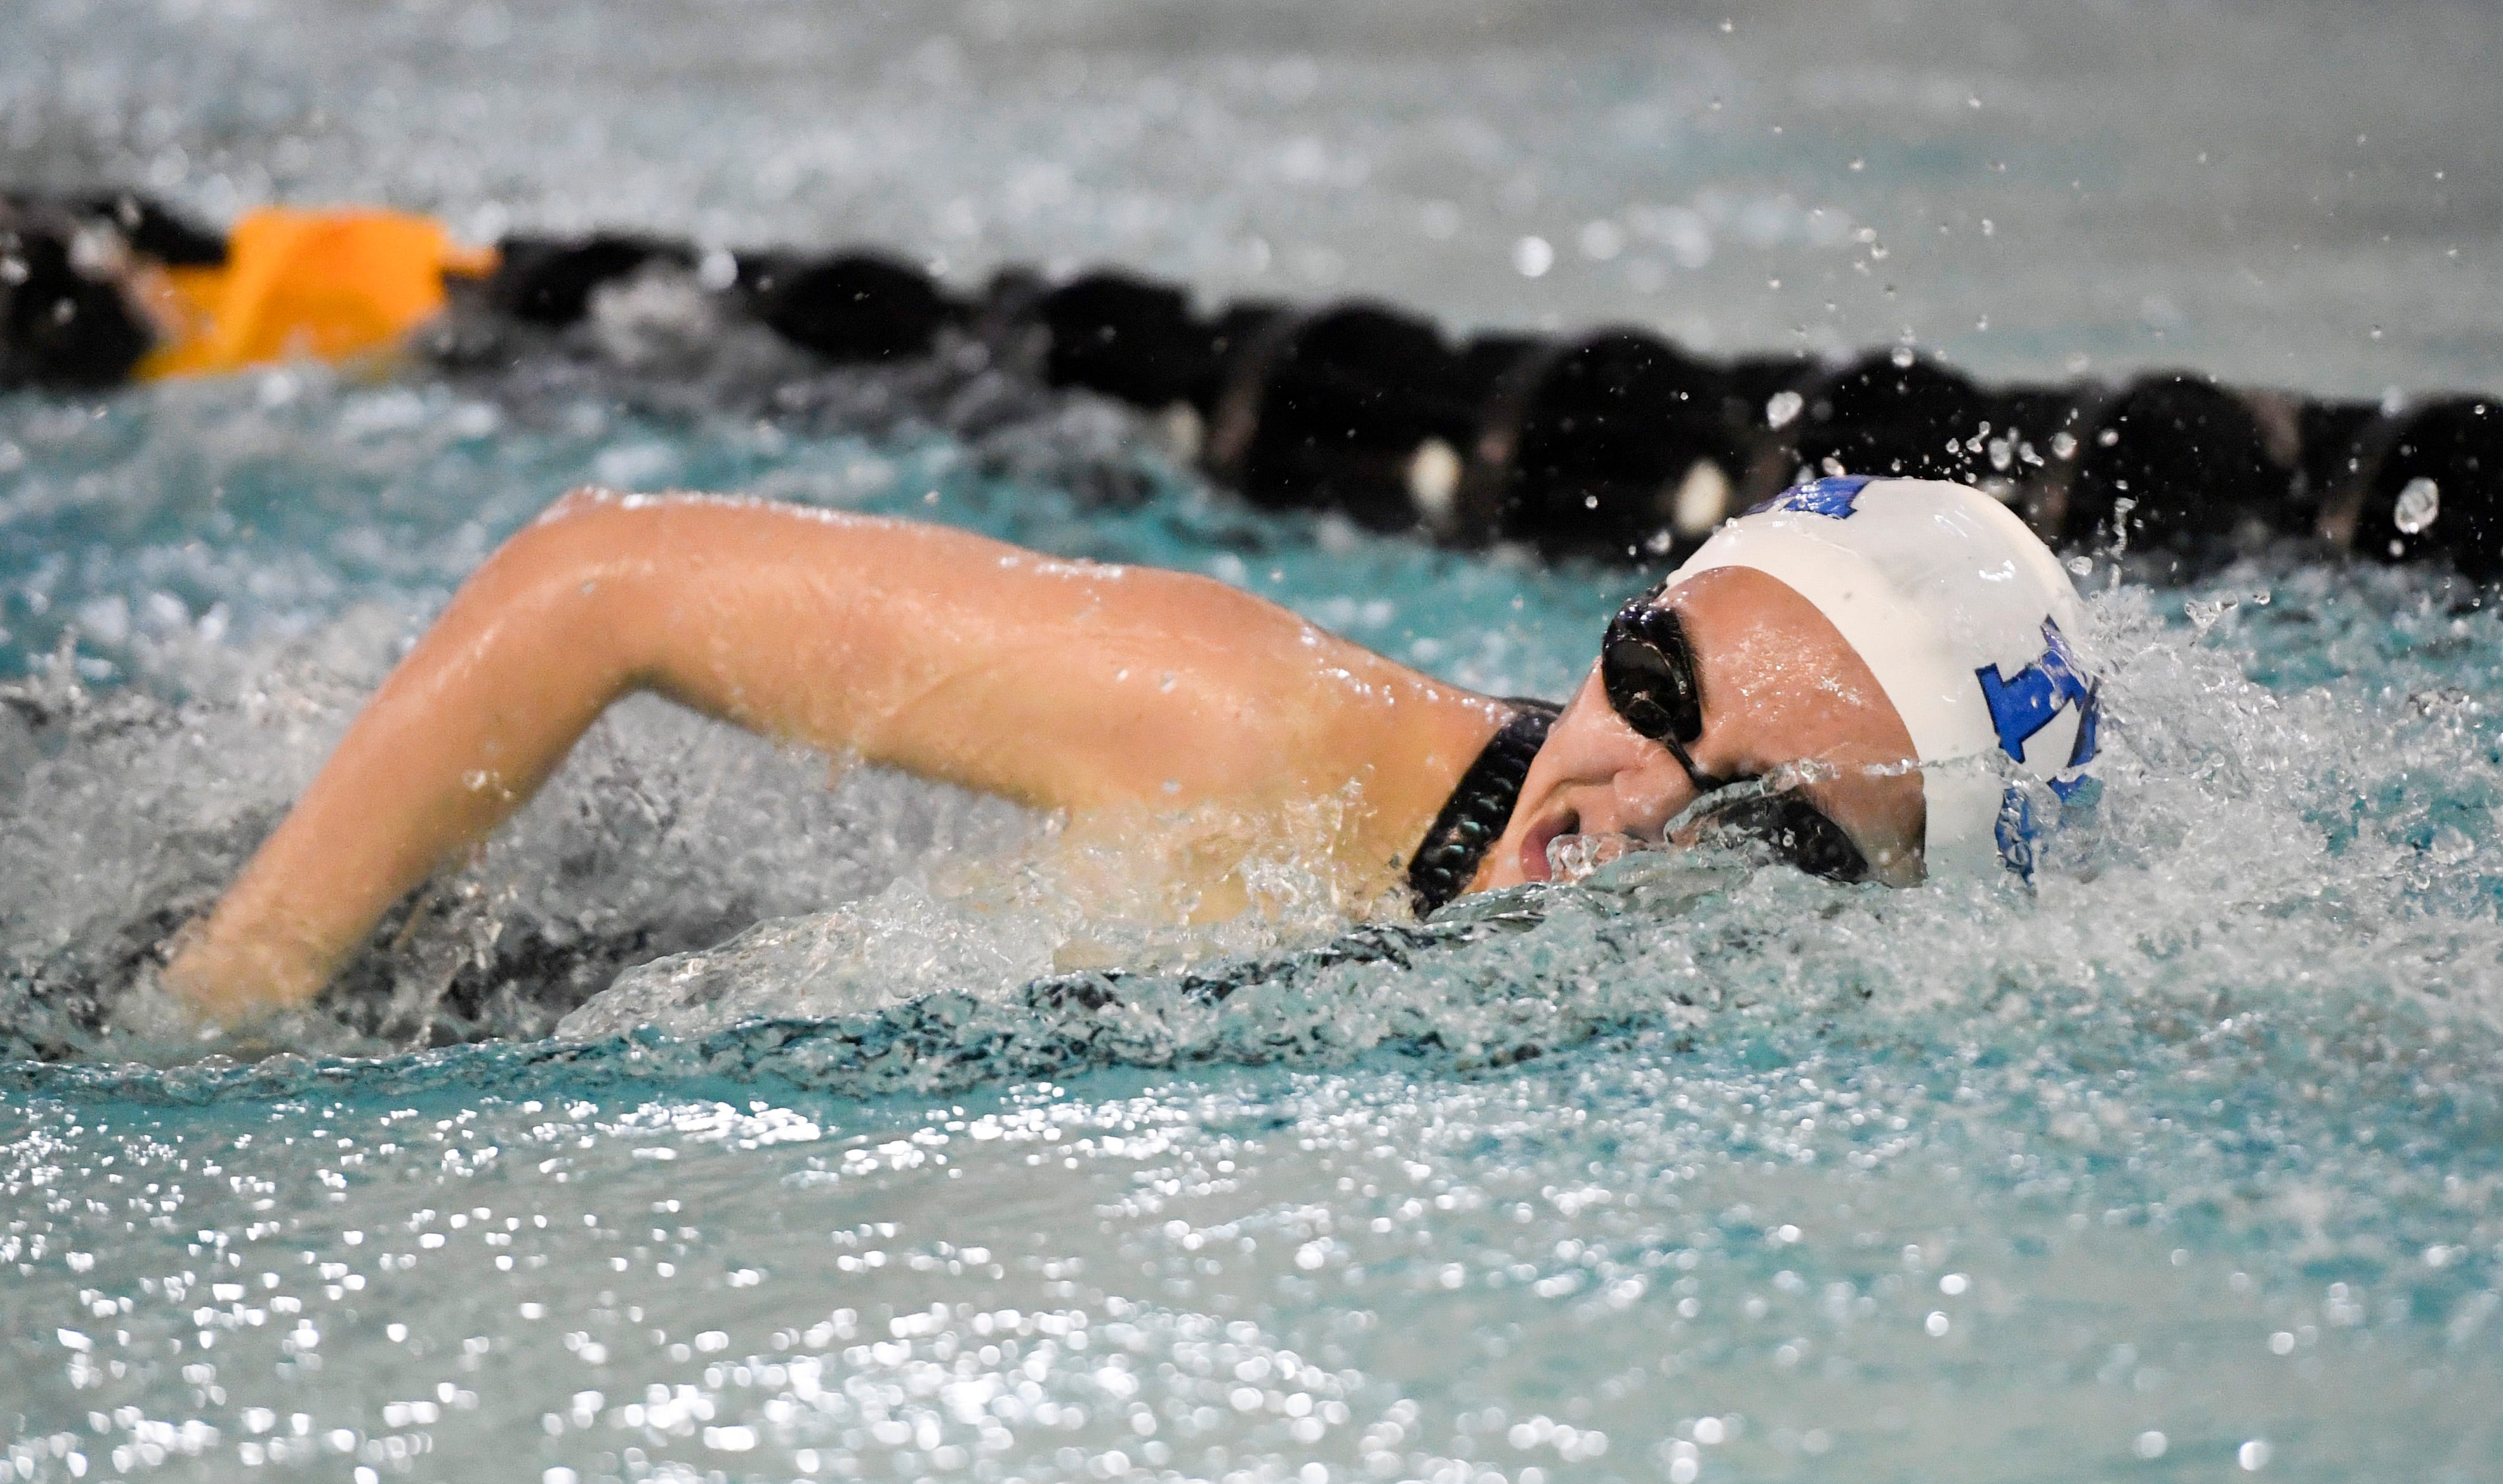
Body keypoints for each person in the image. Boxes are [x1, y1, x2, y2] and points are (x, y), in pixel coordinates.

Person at [160, 474, 2099, 1028]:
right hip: (450, 975)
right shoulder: (1266, 745)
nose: (1642, 803)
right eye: (1656, 688)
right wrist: (223, 1007)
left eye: (1776, 830)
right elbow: (597, 579)